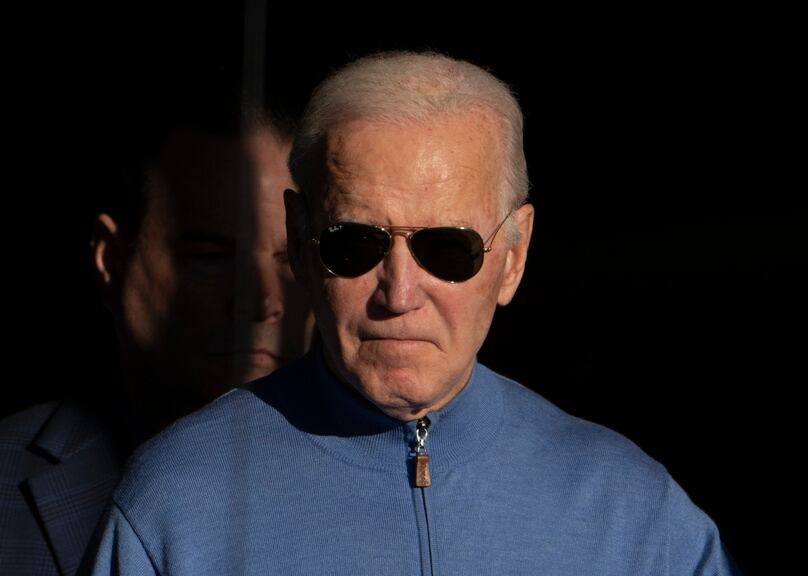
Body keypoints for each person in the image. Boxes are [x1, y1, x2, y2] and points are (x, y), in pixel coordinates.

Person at [83, 51, 737, 575]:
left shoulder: (635, 514)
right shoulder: (176, 504)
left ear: (513, 255)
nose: (398, 294)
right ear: (303, 241)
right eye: (356, 243)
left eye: (447, 249)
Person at [0, 77, 313, 574]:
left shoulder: (387, 481)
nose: (263, 302)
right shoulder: (6, 481)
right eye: (211, 257)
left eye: (291, 259)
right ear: (111, 259)